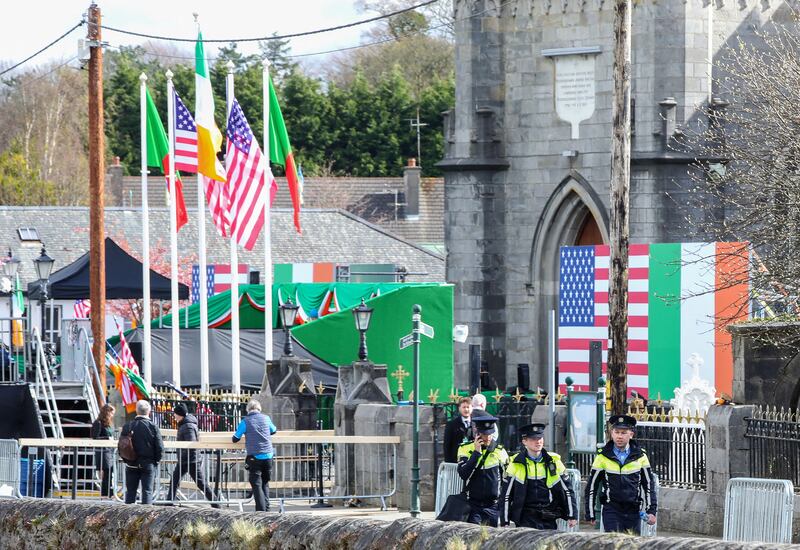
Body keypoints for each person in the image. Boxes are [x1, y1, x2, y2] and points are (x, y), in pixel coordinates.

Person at [585, 415, 658, 534]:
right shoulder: (602, 456)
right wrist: (590, 513)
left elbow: (649, 485)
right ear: (611, 433)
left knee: (632, 545)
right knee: (614, 544)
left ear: (631, 434)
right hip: (612, 510)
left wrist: (651, 511)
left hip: (633, 510)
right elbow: (592, 486)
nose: (619, 436)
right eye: (616, 432)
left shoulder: (641, 456)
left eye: (623, 433)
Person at [501, 423, 577, 529]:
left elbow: (567, 490)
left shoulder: (553, 461)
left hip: (548, 515)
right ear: (524, 442)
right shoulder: (515, 463)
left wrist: (572, 515)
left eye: (540, 437)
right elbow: (506, 495)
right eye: (533, 438)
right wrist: (505, 522)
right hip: (526, 517)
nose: (538, 441)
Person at [456, 413, 509, 526]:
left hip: (493, 506)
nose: (488, 438)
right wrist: (476, 453)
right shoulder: (464, 449)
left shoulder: (500, 451)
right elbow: (463, 474)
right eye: (484, 435)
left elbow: (507, 480)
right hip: (473, 505)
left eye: (490, 434)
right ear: (477, 434)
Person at [166, 403, 219, 508]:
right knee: (175, 480)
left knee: (201, 484)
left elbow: (191, 443)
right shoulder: (185, 424)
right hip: (186, 460)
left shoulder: (187, 426)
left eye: (175, 414)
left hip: (190, 460)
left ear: (180, 414)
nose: (174, 416)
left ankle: (216, 504)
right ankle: (169, 502)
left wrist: (185, 457)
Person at [232, 399, 277, 512]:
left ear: (248, 410)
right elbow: (273, 430)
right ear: (259, 409)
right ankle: (267, 509)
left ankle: (261, 512)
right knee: (265, 483)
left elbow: (235, 439)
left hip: (255, 456)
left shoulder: (245, 421)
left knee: (256, 484)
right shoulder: (266, 418)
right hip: (268, 456)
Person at [121, 399, 164, 505]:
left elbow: (121, 446)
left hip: (131, 463)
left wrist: (126, 459)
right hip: (148, 463)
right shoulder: (153, 426)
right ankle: (147, 518)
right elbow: (159, 447)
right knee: (147, 492)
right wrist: (156, 461)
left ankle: (127, 518)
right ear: (149, 411)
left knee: (130, 492)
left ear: (136, 411)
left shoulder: (128, 425)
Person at [91, 403, 116, 498]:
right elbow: (95, 437)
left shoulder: (109, 423)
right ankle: (106, 493)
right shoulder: (98, 423)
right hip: (102, 451)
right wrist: (107, 438)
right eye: (112, 413)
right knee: (107, 471)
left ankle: (109, 492)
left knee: (110, 472)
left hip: (109, 450)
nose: (112, 415)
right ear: (107, 412)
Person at [443, 396, 473, 463]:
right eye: (464, 407)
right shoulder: (451, 424)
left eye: (468, 407)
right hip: (456, 460)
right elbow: (447, 445)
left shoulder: (475, 424)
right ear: (459, 408)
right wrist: (448, 462)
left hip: (472, 460)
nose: (466, 409)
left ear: (472, 408)